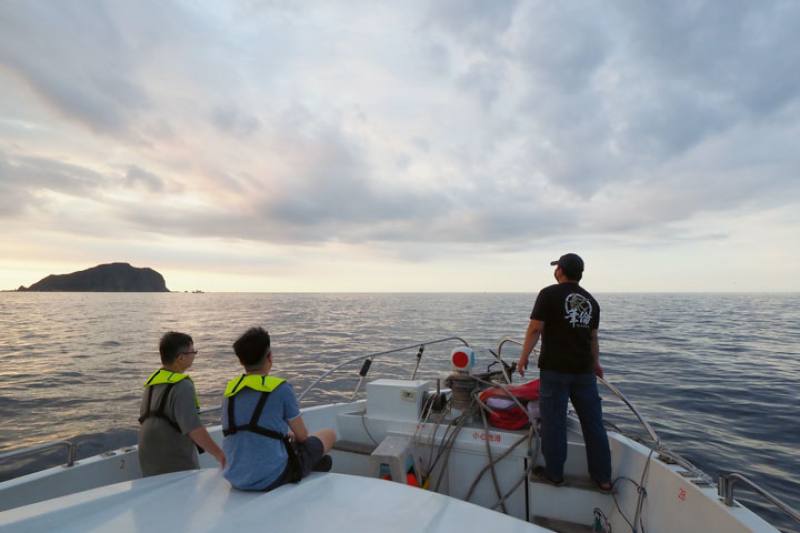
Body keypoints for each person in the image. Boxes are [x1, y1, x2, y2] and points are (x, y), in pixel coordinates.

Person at [517, 253, 612, 491]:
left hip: (555, 370)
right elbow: (593, 338)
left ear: (560, 270)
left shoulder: (548, 294)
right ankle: (603, 479)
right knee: (593, 424)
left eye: (557, 266)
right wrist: (596, 364)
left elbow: (535, 328)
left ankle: (555, 474)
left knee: (554, 422)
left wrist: (523, 357)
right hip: (584, 372)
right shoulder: (591, 301)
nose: (555, 269)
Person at [222, 327, 336, 491]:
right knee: (328, 434)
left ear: (241, 361)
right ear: (270, 357)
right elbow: (302, 436)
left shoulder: (229, 392)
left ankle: (311, 464)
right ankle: (309, 466)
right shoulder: (281, 388)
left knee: (288, 440)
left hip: (236, 478)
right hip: (271, 478)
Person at [138, 331, 225, 476]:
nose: (194, 355)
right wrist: (220, 455)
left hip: (148, 465)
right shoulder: (182, 386)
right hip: (175, 466)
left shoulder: (152, 384)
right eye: (193, 351)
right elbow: (194, 429)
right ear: (180, 358)